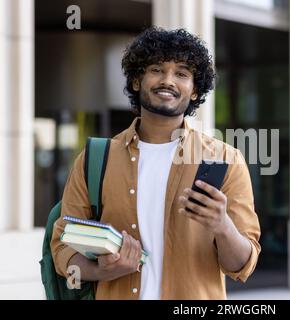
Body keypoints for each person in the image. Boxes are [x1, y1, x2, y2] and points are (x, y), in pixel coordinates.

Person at [50, 27, 261, 300]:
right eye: (157, 70)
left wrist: (222, 225)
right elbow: (62, 250)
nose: (168, 81)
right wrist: (105, 271)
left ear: (195, 90)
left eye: (182, 73)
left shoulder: (225, 159)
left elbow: (242, 266)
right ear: (138, 80)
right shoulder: (94, 159)